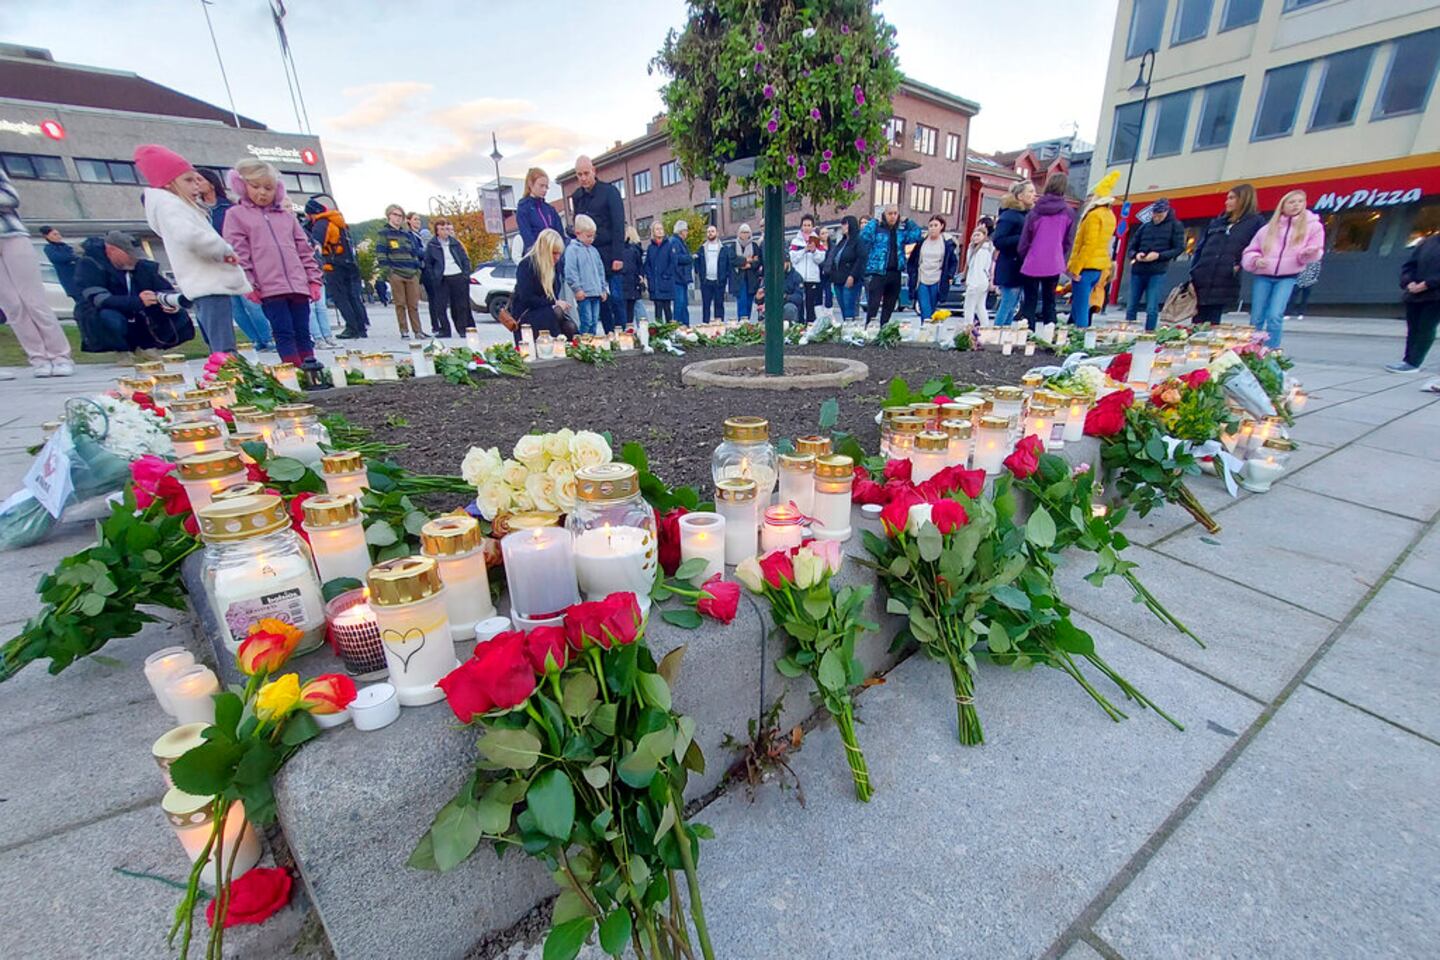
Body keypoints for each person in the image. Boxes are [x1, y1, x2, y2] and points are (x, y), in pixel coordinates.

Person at [135, 144, 246, 352]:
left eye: (196, 180)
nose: (196, 186)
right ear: (168, 184)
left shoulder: (173, 206)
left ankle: (226, 367)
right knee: (223, 347)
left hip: (205, 282)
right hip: (208, 282)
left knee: (220, 343)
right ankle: (228, 370)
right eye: (188, 180)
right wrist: (223, 250)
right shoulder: (171, 206)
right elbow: (190, 236)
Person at [222, 159, 323, 369]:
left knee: (303, 331)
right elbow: (239, 253)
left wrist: (313, 280)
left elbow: (304, 250)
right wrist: (248, 283)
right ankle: (293, 371)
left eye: (268, 188)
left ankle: (311, 368)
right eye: (255, 186)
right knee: (283, 331)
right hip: (269, 287)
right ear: (242, 186)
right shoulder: (236, 215)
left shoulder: (286, 217)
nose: (262, 193)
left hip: (297, 284)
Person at [0, 169, 75, 377]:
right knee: (12, 306)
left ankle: (60, 356)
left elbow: (11, 198)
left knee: (34, 301)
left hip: (11, 234)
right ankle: (38, 359)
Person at [73, 232, 194, 355]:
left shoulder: (142, 266)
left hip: (139, 314)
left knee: (179, 314)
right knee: (110, 317)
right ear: (112, 250)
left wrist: (170, 303)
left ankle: (151, 348)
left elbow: (165, 288)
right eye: (130, 254)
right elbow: (99, 299)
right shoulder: (89, 265)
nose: (135, 258)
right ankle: (121, 351)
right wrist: (138, 301)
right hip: (102, 313)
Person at [197, 168, 274, 350]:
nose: (196, 184)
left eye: (200, 180)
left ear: (211, 183)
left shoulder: (229, 207)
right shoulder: (197, 210)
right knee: (235, 308)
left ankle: (268, 338)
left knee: (251, 303)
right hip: (214, 265)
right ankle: (256, 340)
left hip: (236, 259)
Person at [1241, 189, 1324, 348]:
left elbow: (1316, 250)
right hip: (1264, 275)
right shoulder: (1268, 228)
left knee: (1275, 315)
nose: (1296, 205)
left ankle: (1272, 351)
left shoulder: (1313, 227)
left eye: (1300, 201)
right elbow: (1251, 250)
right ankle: (1251, 350)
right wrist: (1255, 260)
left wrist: (1308, 253)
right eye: (1291, 202)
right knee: (1256, 317)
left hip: (1287, 276)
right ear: (1283, 205)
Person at [1190, 184, 1264, 326]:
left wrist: (1239, 264)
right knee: (1197, 319)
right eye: (1227, 198)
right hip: (1203, 275)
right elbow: (1201, 247)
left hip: (1225, 276)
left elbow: (1257, 247)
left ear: (1243, 199)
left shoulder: (1255, 222)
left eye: (1231, 198)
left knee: (1213, 319)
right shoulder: (1217, 222)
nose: (1227, 202)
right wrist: (1194, 270)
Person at [570, 156, 627, 332]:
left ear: (594, 171)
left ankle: (622, 333)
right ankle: (609, 334)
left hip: (610, 253)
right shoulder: (577, 197)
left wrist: (618, 256)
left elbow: (618, 225)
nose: (583, 178)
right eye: (579, 174)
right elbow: (578, 224)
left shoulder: (610, 192)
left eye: (586, 173)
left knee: (616, 298)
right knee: (600, 301)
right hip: (589, 257)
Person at [304, 195, 369, 339]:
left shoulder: (321, 224)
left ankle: (351, 327)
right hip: (349, 263)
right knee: (353, 296)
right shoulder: (338, 222)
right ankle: (361, 327)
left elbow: (317, 245)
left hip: (334, 265)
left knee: (341, 297)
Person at [1018, 173, 1077, 327]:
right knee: (1050, 302)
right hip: (1054, 262)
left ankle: (1027, 334)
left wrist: (1025, 256)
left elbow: (1025, 240)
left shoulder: (1035, 211)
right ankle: (1049, 333)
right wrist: (1060, 256)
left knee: (1029, 302)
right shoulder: (1068, 212)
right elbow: (1068, 241)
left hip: (1033, 261)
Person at [1066, 171, 1119, 330]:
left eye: (1090, 196)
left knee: (1081, 306)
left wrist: (1075, 268)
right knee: (1082, 304)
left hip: (1086, 266)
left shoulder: (1093, 216)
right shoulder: (1109, 215)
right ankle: (1075, 332)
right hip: (1099, 266)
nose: (1087, 200)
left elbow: (1088, 245)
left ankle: (1080, 336)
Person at [1126, 197, 1185, 330]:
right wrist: (1135, 254)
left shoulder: (1175, 226)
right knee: (1131, 306)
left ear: (1166, 212)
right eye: (1154, 214)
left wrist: (1159, 256)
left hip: (1157, 271)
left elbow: (1179, 248)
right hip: (1138, 270)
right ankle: (1128, 331)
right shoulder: (1145, 226)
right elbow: (1132, 247)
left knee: (1151, 307)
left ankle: (1149, 333)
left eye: (1160, 214)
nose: (1156, 217)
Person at [860, 205, 923, 325]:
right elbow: (864, 237)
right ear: (884, 215)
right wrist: (874, 221)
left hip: (895, 272)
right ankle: (869, 328)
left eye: (895, 213)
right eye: (890, 214)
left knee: (890, 305)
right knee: (873, 305)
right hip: (878, 272)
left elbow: (917, 235)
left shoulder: (900, 232)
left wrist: (908, 221)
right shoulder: (877, 229)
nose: (893, 216)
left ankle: (884, 328)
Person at [1389, 230, 1440, 374]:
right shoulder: (1428, 242)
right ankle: (1407, 360)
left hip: (1435, 295)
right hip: (1415, 294)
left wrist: (1428, 284)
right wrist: (1409, 281)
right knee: (1413, 328)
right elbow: (1410, 265)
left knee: (1426, 327)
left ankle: (1414, 362)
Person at [375, 204, 425, 339]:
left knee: (413, 304)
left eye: (400, 216)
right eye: (395, 215)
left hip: (411, 272)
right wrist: (388, 272)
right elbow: (381, 254)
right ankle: (404, 330)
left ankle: (418, 330)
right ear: (389, 216)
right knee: (400, 303)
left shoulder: (407, 234)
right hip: (396, 272)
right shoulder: (383, 233)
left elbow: (414, 252)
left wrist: (416, 270)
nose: (398, 218)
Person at [512, 228, 571, 339]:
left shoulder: (554, 267)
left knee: (571, 328)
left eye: (559, 254)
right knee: (556, 316)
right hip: (527, 313)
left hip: (545, 311)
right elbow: (527, 298)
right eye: (554, 253)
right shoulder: (526, 265)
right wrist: (554, 302)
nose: (557, 258)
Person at [422, 217, 475, 338]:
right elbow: (428, 263)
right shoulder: (432, 245)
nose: (445, 231)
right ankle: (445, 330)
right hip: (441, 278)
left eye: (446, 228)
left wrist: (465, 274)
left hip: (457, 275)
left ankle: (462, 329)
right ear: (437, 231)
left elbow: (465, 259)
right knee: (440, 306)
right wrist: (433, 276)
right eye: (442, 229)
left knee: (460, 305)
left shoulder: (455, 243)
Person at [992, 181, 1035, 326]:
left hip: (1020, 266)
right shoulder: (1009, 216)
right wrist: (1023, 238)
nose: (1034, 195)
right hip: (1010, 266)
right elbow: (998, 241)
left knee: (1012, 307)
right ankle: (996, 333)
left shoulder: (1026, 215)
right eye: (1030, 191)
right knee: (1007, 304)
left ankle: (1004, 333)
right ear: (1020, 196)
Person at [906, 215, 958, 321]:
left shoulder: (947, 243)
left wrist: (949, 275)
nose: (933, 228)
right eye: (931, 226)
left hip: (937, 280)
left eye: (935, 225)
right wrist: (912, 273)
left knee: (932, 310)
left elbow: (953, 262)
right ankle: (925, 327)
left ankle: (930, 329)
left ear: (941, 226)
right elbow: (912, 260)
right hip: (922, 279)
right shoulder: (922, 242)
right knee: (925, 309)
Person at [563, 214, 608, 335]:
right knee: (586, 321)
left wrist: (603, 288)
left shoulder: (594, 250)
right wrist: (577, 289)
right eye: (588, 236)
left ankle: (592, 341)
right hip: (584, 293)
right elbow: (570, 271)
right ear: (578, 233)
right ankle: (582, 341)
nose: (591, 239)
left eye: (593, 236)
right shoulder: (572, 250)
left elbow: (600, 270)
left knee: (594, 321)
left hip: (596, 292)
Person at [788, 213, 827, 324]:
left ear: (813, 227)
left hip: (812, 277)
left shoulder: (818, 241)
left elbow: (821, 259)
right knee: (799, 302)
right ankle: (799, 324)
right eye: (804, 225)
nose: (806, 228)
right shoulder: (795, 241)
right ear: (801, 226)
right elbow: (792, 258)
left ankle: (810, 324)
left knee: (810, 304)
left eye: (809, 225)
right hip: (798, 277)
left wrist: (814, 251)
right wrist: (804, 250)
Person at [516, 168, 565, 255]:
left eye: (546, 187)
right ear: (530, 184)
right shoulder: (523, 208)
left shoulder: (550, 210)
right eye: (541, 186)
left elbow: (560, 235)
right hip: (538, 255)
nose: (544, 190)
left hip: (555, 255)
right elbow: (528, 237)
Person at [825, 215, 864, 323]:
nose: (843, 226)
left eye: (845, 224)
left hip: (850, 279)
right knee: (843, 308)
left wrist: (852, 275)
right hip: (838, 279)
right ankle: (846, 326)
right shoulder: (842, 242)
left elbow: (861, 259)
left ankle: (850, 327)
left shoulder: (858, 241)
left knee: (849, 308)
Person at [644, 220, 678, 323]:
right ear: (653, 232)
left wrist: (666, 274)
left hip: (666, 282)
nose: (659, 231)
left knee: (667, 309)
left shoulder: (669, 245)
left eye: (661, 229)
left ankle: (670, 329)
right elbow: (647, 264)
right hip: (655, 284)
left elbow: (673, 262)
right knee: (658, 310)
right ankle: (658, 330)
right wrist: (650, 276)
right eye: (657, 229)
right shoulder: (650, 248)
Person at [963, 225, 995, 328]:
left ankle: (968, 327)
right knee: (980, 306)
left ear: (984, 236)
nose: (975, 237)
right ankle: (985, 327)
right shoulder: (985, 249)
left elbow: (977, 269)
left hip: (976, 282)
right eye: (974, 235)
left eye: (978, 235)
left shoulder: (981, 251)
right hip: (983, 281)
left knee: (969, 306)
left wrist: (972, 285)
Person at [697, 224, 730, 323]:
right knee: (706, 306)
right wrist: (700, 275)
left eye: (712, 231)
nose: (710, 233)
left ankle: (719, 325)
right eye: (708, 232)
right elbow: (697, 263)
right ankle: (705, 325)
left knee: (719, 305)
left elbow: (728, 264)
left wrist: (725, 276)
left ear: (717, 233)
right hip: (706, 281)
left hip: (719, 281)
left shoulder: (723, 248)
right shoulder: (702, 248)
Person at [731, 223, 762, 322]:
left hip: (751, 279)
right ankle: (742, 322)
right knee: (742, 301)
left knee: (749, 302)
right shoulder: (734, 245)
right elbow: (733, 260)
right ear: (739, 233)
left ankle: (747, 321)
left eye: (747, 232)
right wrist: (747, 259)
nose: (745, 234)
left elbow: (758, 261)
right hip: (738, 279)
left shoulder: (754, 246)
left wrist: (749, 265)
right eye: (743, 232)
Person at [40, 226, 80, 301]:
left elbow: (76, 255)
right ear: (47, 236)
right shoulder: (49, 248)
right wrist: (73, 257)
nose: (58, 236)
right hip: (69, 279)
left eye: (58, 234)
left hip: (78, 277)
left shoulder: (65, 246)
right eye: (55, 234)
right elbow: (60, 257)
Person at [620, 225, 646, 326]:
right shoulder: (636, 249)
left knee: (628, 311)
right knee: (633, 308)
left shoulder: (630, 250)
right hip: (633, 283)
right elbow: (640, 266)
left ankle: (629, 329)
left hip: (628, 283)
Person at [670, 221, 694, 323]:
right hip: (678, 279)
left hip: (682, 279)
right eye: (686, 230)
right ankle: (678, 326)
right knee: (679, 305)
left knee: (683, 305)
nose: (687, 232)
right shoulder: (675, 242)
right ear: (681, 231)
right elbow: (676, 258)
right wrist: (690, 258)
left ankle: (685, 326)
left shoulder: (680, 242)